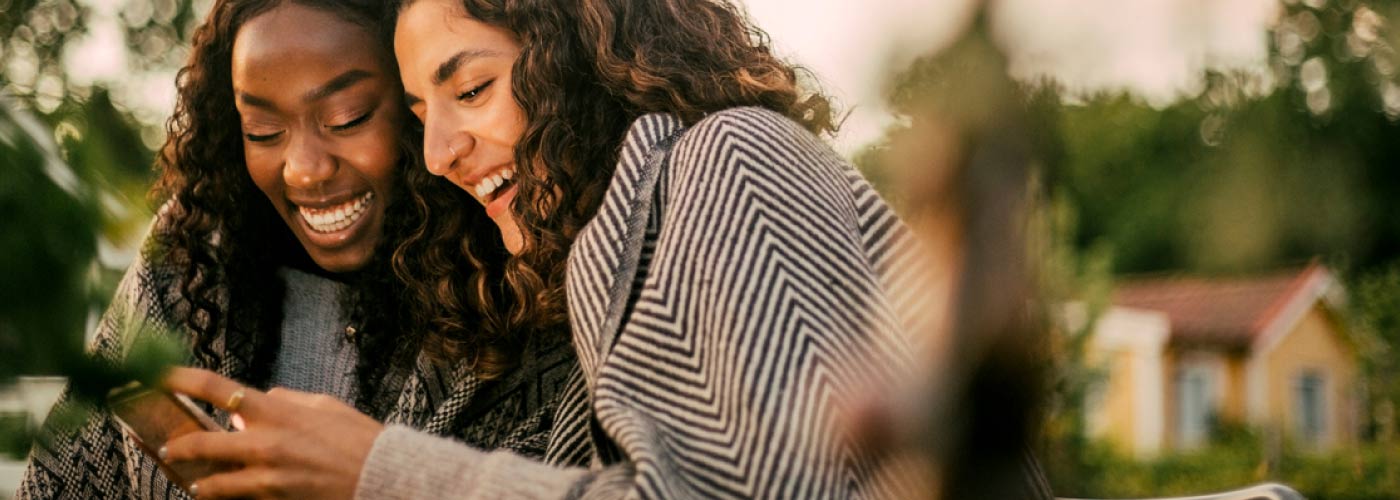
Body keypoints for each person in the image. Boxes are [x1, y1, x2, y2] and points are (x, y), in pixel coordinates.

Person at [157, 0, 1048, 498]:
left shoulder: (730, 158)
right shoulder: (606, 263)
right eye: (422, 114)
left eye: (471, 88)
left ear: (579, 55)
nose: (438, 155)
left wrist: (376, 470)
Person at [16, 1, 578, 498]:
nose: (305, 170)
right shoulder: (188, 265)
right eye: (262, 130)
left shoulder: (533, 288)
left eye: (347, 119)